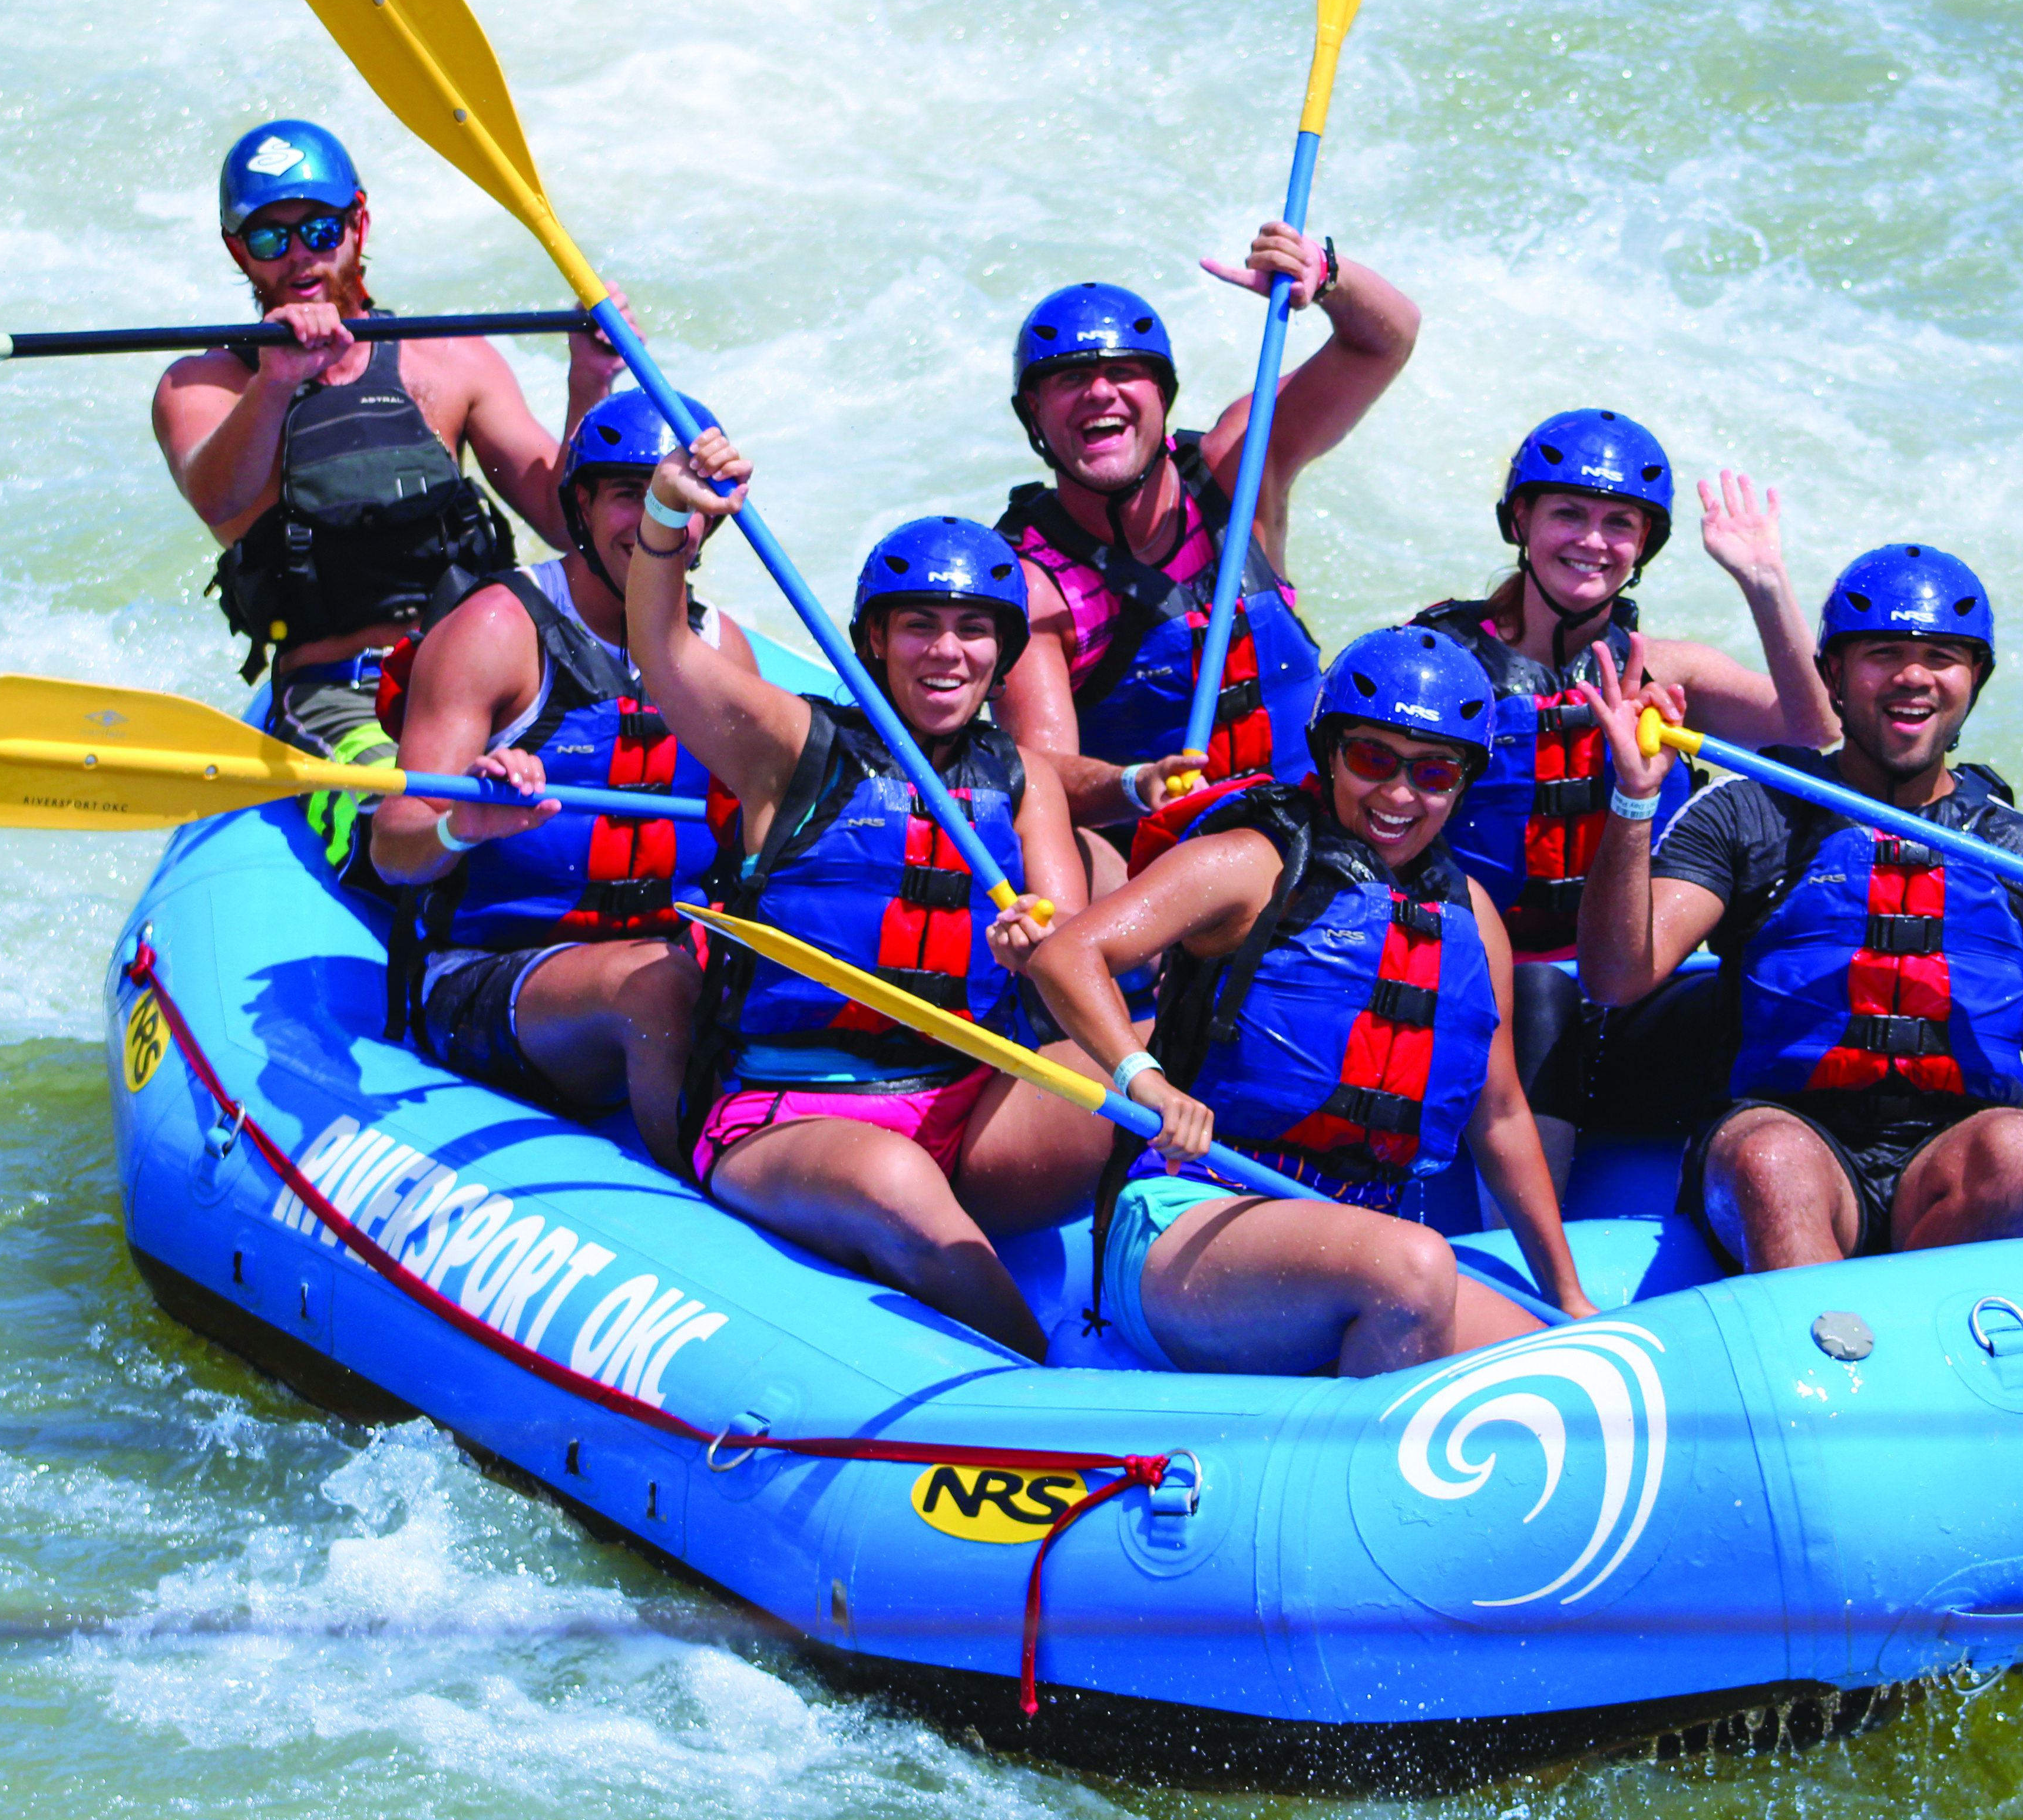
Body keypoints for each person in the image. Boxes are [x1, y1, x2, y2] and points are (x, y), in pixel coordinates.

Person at [1565, 543, 2023, 1272]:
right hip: (1788, 1137)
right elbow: (1614, 979)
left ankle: (1905, 1331)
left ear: (1975, 678)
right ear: (1833, 674)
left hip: (1946, 1171)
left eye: (1943, 657)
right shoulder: (1749, 814)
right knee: (1774, 1160)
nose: (1914, 676)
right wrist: (1634, 799)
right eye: (1883, 653)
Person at [630, 437, 1108, 1360]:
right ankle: (1041, 1385)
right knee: (892, 1178)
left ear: (1002, 652)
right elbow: (660, 644)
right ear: (875, 642)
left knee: (1104, 1080)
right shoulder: (793, 746)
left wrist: (1031, 946)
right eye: (919, 625)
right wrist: (664, 521)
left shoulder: (1021, 779)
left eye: (972, 629)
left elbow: (1065, 941)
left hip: (962, 1105)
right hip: (791, 1109)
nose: (947, 651)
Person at [1024, 627, 1595, 1376]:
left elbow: (1502, 1115)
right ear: (1328, 752)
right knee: (1414, 1266)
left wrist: (1571, 1299)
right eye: (1372, 760)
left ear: (1463, 783)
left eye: (1433, 773)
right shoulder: (1249, 864)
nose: (1398, 795)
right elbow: (1067, 954)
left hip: (1350, 1241)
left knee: (1568, 1376)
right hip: (1190, 1219)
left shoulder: (1473, 918)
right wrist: (1143, 1078)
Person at [150, 119, 626, 861]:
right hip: (341, 692)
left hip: (483, 674)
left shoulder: (448, 360)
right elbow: (219, 499)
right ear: (236, 250)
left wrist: (588, 381)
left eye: (319, 229)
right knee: (410, 837)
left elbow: (573, 526)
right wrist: (278, 383)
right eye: (270, 241)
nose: (299, 259)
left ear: (359, 221)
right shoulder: (204, 385)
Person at [363, 389, 751, 1168]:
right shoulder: (498, 630)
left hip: (664, 957)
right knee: (658, 987)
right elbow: (392, 848)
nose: (652, 522)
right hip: (489, 979)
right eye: (626, 497)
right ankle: (709, 1196)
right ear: (578, 507)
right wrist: (460, 823)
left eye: (670, 500)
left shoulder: (720, 652)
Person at [994, 228, 1421, 858]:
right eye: (1069, 379)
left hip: (1331, 842)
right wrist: (1135, 785)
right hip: (1172, 874)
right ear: (1033, 414)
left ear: (1162, 395)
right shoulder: (1033, 588)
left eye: (1125, 373)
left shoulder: (1240, 473)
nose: (1099, 392)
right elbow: (1046, 782)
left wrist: (1326, 276)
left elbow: (1384, 340)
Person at [1413, 406, 1829, 964]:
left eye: (1619, 524)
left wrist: (1765, 581)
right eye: (1568, 513)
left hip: (1625, 965)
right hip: (1463, 953)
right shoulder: (1440, 663)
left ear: (1643, 545)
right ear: (1520, 521)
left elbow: (1814, 730)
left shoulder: (1671, 671)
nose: (1593, 541)